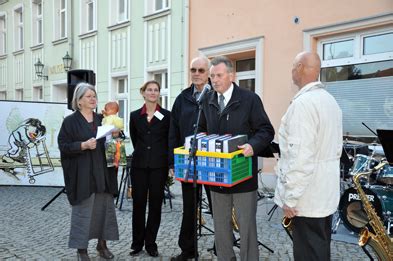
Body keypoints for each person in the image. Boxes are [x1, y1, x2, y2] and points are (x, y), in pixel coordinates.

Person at [199, 55, 275, 261]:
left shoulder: (249, 99)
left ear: (231, 76)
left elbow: (266, 130)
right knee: (221, 226)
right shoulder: (207, 100)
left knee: (246, 225)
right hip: (217, 174)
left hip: (243, 175)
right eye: (212, 76)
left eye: (219, 75)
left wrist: (253, 145)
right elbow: (202, 129)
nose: (214, 80)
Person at [274, 52, 343, 261]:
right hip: (324, 194)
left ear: (301, 68)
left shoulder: (303, 105)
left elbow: (299, 157)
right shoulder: (330, 101)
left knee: (308, 253)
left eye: (294, 66)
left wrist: (290, 197)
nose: (292, 71)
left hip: (307, 197)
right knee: (320, 249)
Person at [58, 82, 119, 261]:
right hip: (82, 173)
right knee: (82, 211)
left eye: (94, 96)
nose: (93, 99)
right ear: (79, 101)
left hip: (103, 172)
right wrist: (82, 145)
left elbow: (113, 139)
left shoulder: (103, 118)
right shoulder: (70, 121)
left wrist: (115, 134)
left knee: (104, 210)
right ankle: (81, 249)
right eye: (88, 96)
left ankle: (102, 245)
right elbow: (63, 145)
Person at [169, 56, 214, 261]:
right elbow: (173, 131)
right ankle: (188, 250)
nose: (196, 73)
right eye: (193, 70)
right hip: (189, 162)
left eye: (201, 70)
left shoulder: (217, 94)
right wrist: (172, 162)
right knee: (189, 209)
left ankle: (222, 247)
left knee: (218, 207)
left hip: (214, 163)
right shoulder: (182, 98)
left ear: (208, 73)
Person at [129, 80, 170, 257]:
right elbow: (134, 138)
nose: (153, 93)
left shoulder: (167, 116)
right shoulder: (134, 115)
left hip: (158, 167)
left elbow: (170, 140)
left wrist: (169, 164)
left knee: (155, 205)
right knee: (138, 204)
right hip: (138, 166)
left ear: (159, 94)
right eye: (149, 90)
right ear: (143, 93)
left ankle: (151, 243)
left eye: (156, 90)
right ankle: (137, 243)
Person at [101, 101, 127, 168]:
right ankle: (122, 161)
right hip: (118, 139)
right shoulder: (117, 118)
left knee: (109, 150)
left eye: (106, 109)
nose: (105, 111)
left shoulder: (111, 118)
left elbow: (106, 124)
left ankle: (111, 162)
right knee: (119, 150)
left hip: (110, 138)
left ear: (111, 110)